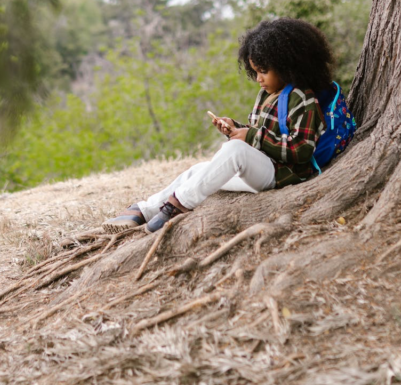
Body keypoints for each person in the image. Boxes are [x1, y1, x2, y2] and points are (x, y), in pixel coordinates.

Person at [105, 17, 331, 233]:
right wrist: (235, 128)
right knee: (197, 170)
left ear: (287, 65)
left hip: (283, 174)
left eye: (264, 71)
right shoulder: (266, 94)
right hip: (261, 168)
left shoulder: (302, 98)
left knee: (235, 150)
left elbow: (301, 149)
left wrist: (249, 137)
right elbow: (260, 135)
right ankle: (143, 210)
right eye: (255, 71)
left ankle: (178, 205)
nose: (258, 79)